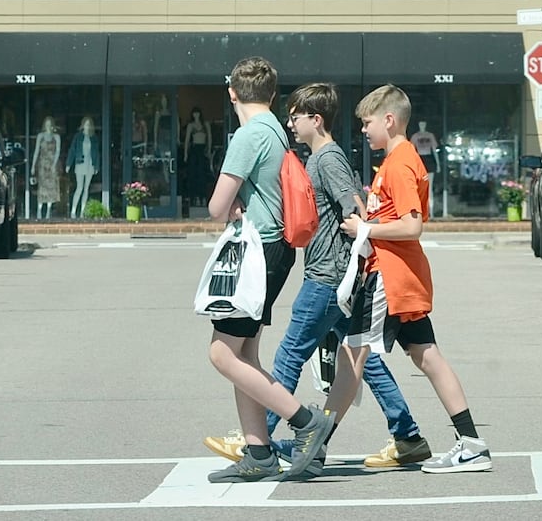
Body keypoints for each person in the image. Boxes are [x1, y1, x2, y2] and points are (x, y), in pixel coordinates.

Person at [202, 83, 432, 473]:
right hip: (332, 274)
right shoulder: (316, 158)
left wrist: (352, 264)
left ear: (316, 119)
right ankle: (407, 435)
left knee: (291, 352)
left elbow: (356, 208)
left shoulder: (328, 160)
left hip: (329, 276)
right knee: (361, 358)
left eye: (295, 116)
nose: (290, 122)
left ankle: (264, 439)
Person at [331, 84, 492, 473]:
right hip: (403, 278)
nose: (364, 131)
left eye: (367, 123)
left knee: (352, 356)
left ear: (389, 120)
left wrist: (365, 230)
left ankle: (311, 440)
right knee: (427, 356)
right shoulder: (399, 160)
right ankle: (471, 443)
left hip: (390, 277)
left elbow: (412, 225)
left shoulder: (400, 162)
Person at [202, 57, 333, 483]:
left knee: (221, 353)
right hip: (276, 250)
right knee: (245, 353)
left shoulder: (248, 134)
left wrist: (231, 206)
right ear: (273, 95)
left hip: (258, 252)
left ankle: (305, 421)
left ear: (232, 92)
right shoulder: (276, 129)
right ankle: (257, 451)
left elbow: (216, 206)